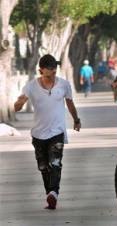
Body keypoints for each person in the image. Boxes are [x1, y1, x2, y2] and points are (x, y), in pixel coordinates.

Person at [14, 54, 81, 210]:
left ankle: (54, 193)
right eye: (49, 68)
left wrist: (76, 120)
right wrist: (19, 103)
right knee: (43, 167)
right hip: (38, 134)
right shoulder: (30, 86)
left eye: (54, 67)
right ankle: (50, 194)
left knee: (55, 163)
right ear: (41, 70)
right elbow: (18, 104)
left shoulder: (64, 85)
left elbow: (70, 103)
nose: (53, 70)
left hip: (57, 131)